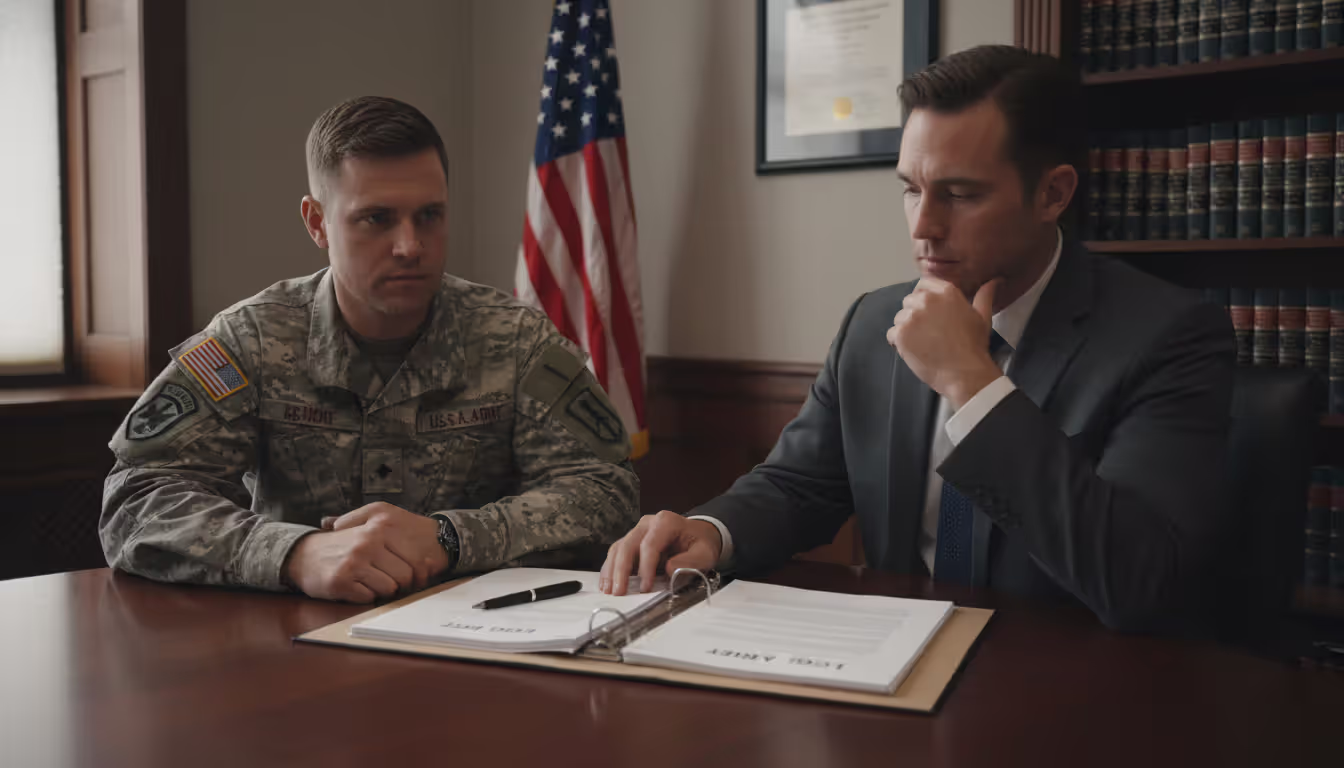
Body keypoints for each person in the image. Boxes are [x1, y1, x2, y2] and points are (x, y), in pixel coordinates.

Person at [600, 46, 1235, 632]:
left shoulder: (1168, 337)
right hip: (895, 668)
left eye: (959, 194)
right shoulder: (872, 322)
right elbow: (801, 485)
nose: (924, 226)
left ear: (1053, 194)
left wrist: (973, 383)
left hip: (1065, 688)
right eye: (910, 189)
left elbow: (1139, 581)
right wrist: (713, 530)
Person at [101, 96, 639, 603]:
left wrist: (451, 539)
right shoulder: (252, 340)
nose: (410, 245)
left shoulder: (516, 339)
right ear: (318, 223)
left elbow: (605, 492)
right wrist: (294, 554)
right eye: (376, 219)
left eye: (430, 215)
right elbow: (138, 498)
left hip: (480, 637)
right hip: (290, 642)